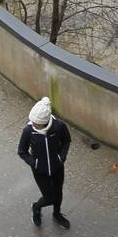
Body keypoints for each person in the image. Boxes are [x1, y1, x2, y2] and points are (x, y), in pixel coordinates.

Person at [17, 97, 72, 229]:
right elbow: (22, 151)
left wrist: (61, 158)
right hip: (39, 171)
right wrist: (34, 163)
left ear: (45, 121)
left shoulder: (59, 126)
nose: (33, 123)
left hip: (57, 168)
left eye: (36, 122)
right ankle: (36, 207)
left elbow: (66, 141)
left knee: (58, 193)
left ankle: (57, 214)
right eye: (32, 121)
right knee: (48, 197)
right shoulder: (28, 131)